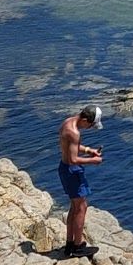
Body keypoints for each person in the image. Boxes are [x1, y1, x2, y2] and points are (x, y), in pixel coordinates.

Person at [58, 107, 104, 256]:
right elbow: (72, 159)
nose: (89, 128)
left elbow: (72, 147)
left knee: (75, 206)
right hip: (72, 171)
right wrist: (93, 160)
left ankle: (70, 244)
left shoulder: (68, 122)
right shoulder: (74, 132)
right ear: (85, 120)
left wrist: (89, 150)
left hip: (65, 169)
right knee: (81, 207)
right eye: (90, 125)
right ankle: (77, 247)